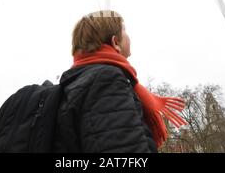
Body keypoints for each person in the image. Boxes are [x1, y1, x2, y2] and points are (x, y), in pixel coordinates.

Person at [53, 10, 187, 153]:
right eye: (125, 31)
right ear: (115, 42)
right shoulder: (106, 80)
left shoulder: (77, 82)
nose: (129, 37)